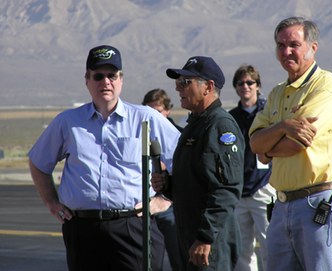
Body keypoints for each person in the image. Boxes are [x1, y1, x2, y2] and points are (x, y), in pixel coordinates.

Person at [28, 45, 181, 271]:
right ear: (87, 80)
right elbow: (39, 162)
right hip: (82, 229)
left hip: (133, 226)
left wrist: (164, 199)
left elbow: (184, 160)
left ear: (121, 79)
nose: (106, 82)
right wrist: (51, 202)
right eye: (98, 76)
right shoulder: (67, 122)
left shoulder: (146, 118)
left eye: (112, 75)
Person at [249, 17, 332, 271]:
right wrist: (283, 127)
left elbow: (297, 144)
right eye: (281, 45)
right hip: (281, 206)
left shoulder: (326, 86)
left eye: (294, 44)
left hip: (317, 203)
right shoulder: (276, 93)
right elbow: (254, 144)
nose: (287, 51)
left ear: (312, 48)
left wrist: (269, 147)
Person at [152, 56, 245, 270]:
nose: (178, 89)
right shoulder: (195, 124)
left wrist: (205, 237)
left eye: (185, 83)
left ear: (208, 87)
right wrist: (168, 185)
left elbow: (226, 189)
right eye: (178, 83)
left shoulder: (220, 126)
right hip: (192, 237)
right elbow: (197, 181)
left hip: (209, 244)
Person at [228, 65, 274, 271]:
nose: (245, 86)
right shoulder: (230, 118)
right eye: (241, 83)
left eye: (250, 82)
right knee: (242, 250)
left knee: (270, 246)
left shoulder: (268, 114)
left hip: (264, 188)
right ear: (236, 88)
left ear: (258, 86)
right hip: (238, 192)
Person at [142, 88, 183, 271]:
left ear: (167, 111)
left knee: (180, 258)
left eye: (157, 112)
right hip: (145, 207)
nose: (153, 117)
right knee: (149, 262)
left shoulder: (180, 135)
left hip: (171, 206)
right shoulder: (139, 137)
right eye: (149, 111)